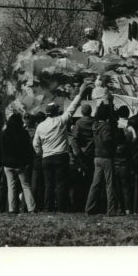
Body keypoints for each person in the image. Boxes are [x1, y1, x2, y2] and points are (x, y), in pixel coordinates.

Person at [33, 84, 90, 213]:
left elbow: (36, 143)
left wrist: (41, 153)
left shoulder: (40, 126)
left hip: (46, 157)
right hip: (61, 156)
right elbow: (72, 108)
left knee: (49, 184)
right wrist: (80, 93)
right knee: (60, 183)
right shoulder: (61, 121)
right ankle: (62, 207)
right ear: (56, 112)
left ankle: (48, 207)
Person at [85, 101, 120, 215]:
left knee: (95, 183)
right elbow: (107, 139)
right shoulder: (106, 126)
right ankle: (111, 209)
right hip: (106, 156)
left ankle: (89, 208)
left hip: (97, 156)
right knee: (110, 184)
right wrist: (114, 145)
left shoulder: (95, 125)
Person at [0, 112, 36, 213]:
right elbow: (27, 149)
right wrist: (27, 161)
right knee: (26, 185)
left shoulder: (3, 134)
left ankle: (12, 208)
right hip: (20, 164)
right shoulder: (23, 133)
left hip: (7, 164)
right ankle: (31, 208)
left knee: (11, 186)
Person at [70, 103, 96, 212]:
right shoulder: (95, 121)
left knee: (81, 179)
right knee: (92, 179)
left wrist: (78, 152)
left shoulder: (79, 123)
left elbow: (75, 138)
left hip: (82, 153)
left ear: (82, 112)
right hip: (93, 152)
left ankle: (80, 203)